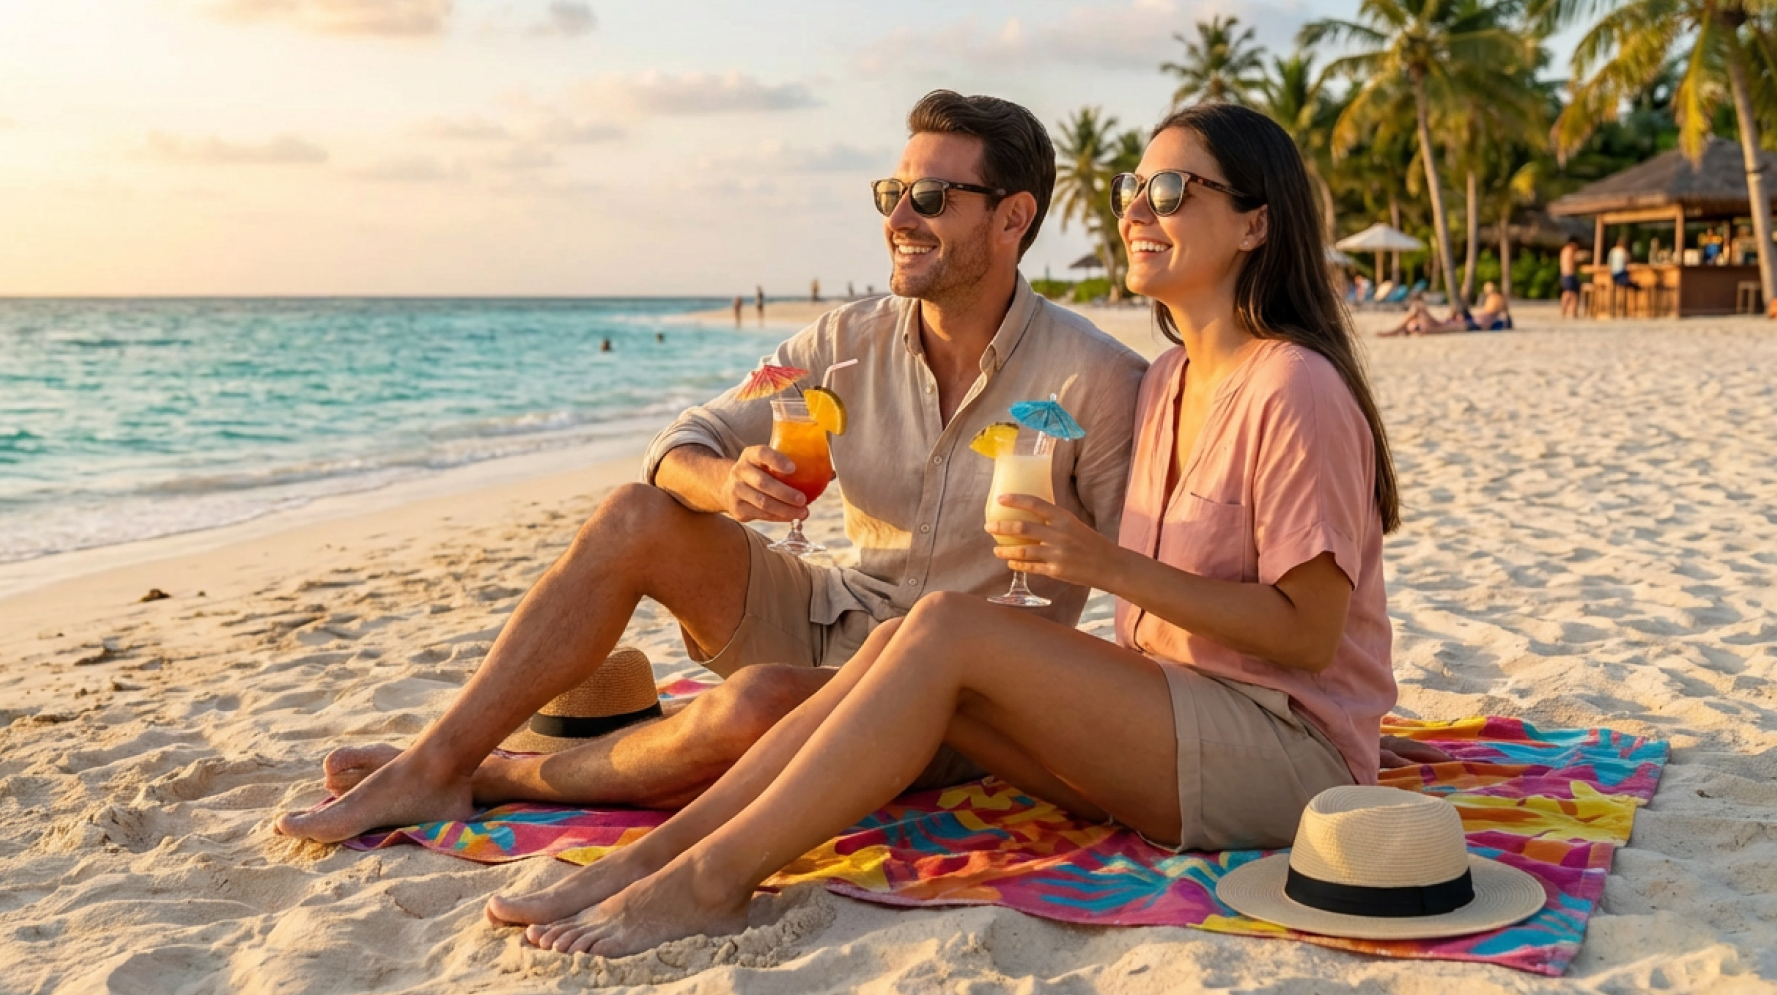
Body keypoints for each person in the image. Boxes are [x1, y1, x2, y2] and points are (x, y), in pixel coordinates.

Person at [496, 101, 1407, 958]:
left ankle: (710, 879)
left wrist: (1104, 565)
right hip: (1172, 718)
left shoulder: (1294, 387)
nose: (1137, 209)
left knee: (944, 626)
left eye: (1171, 190)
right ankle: (653, 857)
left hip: (1280, 756)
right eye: (1132, 187)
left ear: (1255, 224)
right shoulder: (1166, 381)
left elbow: (1309, 634)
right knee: (901, 644)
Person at [272, 90, 1147, 845]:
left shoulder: (1096, 377)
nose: (898, 219)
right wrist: (726, 484)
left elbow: (1142, 581)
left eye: (930, 196)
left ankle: (502, 776)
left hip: (962, 693)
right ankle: (436, 761)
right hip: (834, 614)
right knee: (634, 514)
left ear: (1012, 218)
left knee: (758, 704)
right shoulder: (846, 341)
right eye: (892, 193)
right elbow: (680, 443)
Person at [1558, 239, 1581, 319]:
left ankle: (1566, 311)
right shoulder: (1569, 251)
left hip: (1565, 274)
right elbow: (1573, 262)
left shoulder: (1564, 250)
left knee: (1567, 293)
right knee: (1570, 294)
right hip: (1569, 274)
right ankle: (1572, 312)